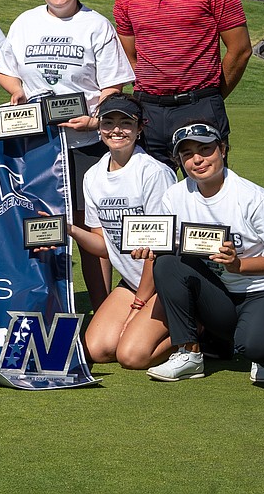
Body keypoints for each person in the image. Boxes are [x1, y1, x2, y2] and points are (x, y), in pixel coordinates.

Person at [0, 0, 136, 309]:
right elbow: (4, 69)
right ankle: (39, 305)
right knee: (36, 225)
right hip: (35, 143)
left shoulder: (96, 24)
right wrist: (16, 91)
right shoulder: (25, 23)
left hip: (84, 143)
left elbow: (114, 85)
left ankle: (104, 307)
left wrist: (95, 119)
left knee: (89, 227)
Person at [146, 122, 264, 384]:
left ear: (223, 149)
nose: (197, 160)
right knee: (167, 263)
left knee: (258, 347)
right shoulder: (175, 195)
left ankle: (263, 352)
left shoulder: (255, 198)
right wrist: (150, 245)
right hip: (223, 296)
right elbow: (172, 246)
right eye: (187, 154)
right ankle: (189, 353)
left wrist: (239, 265)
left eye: (205, 149)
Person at [113, 0, 252, 168]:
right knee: (150, 202)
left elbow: (241, 49)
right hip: (148, 113)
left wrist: (210, 97)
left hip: (200, 107)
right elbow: (131, 57)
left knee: (207, 200)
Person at [72, 93, 176, 368]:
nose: (116, 129)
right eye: (108, 122)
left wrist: (138, 306)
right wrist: (69, 229)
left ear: (140, 128)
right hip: (131, 282)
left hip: (165, 282)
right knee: (98, 349)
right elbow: (102, 245)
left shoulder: (154, 172)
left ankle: (199, 331)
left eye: (125, 123)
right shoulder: (92, 176)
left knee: (131, 356)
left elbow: (159, 248)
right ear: (99, 126)